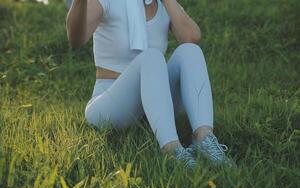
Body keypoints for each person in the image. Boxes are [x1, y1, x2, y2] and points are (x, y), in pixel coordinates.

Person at [66, 0, 234, 169]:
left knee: (191, 51)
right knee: (151, 56)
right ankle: (172, 149)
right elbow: (76, 39)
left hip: (156, 98)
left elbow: (190, 37)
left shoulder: (162, 4)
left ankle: (204, 138)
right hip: (111, 102)